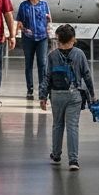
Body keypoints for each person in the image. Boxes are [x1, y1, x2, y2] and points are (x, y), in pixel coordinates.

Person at [39, 24, 95, 171]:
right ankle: (73, 160)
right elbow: (87, 76)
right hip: (74, 94)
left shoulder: (52, 55)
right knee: (72, 126)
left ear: (58, 39)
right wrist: (92, 96)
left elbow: (47, 77)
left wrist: (42, 96)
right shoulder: (79, 54)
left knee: (57, 125)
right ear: (73, 39)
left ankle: (56, 155)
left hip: (56, 95)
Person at [15, 0, 52, 100]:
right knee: (28, 64)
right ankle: (30, 89)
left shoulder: (44, 5)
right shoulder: (23, 5)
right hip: (28, 38)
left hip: (42, 38)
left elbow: (49, 21)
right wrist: (17, 30)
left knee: (42, 63)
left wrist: (50, 34)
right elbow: (19, 21)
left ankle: (42, 89)